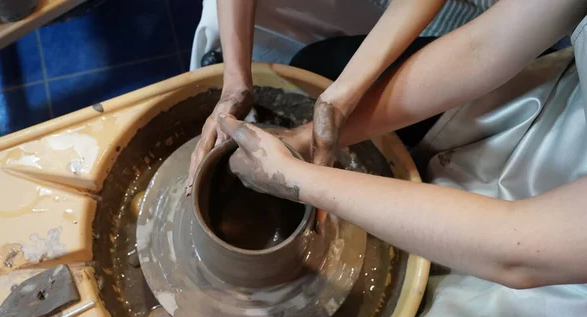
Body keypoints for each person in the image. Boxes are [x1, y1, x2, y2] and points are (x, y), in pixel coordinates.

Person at [216, 0, 587, 317]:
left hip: (551, 277)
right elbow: (485, 45)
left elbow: (518, 250)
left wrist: (297, 179)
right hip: (543, 116)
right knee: (319, 65)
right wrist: (311, 132)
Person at [186, 0, 499, 193]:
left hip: (488, 29)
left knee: (316, 65)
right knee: (221, 17)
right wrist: (235, 80)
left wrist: (339, 100)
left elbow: (487, 47)